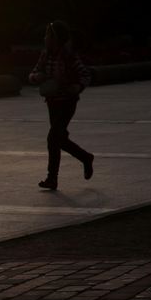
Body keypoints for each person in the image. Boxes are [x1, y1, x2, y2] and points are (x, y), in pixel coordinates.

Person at [28, 20, 93, 190]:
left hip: (67, 103)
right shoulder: (45, 55)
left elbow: (85, 74)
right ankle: (86, 158)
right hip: (52, 102)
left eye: (48, 35)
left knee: (53, 139)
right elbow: (33, 73)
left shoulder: (69, 56)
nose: (45, 38)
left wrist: (77, 87)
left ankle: (52, 178)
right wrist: (37, 77)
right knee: (59, 139)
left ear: (56, 38)